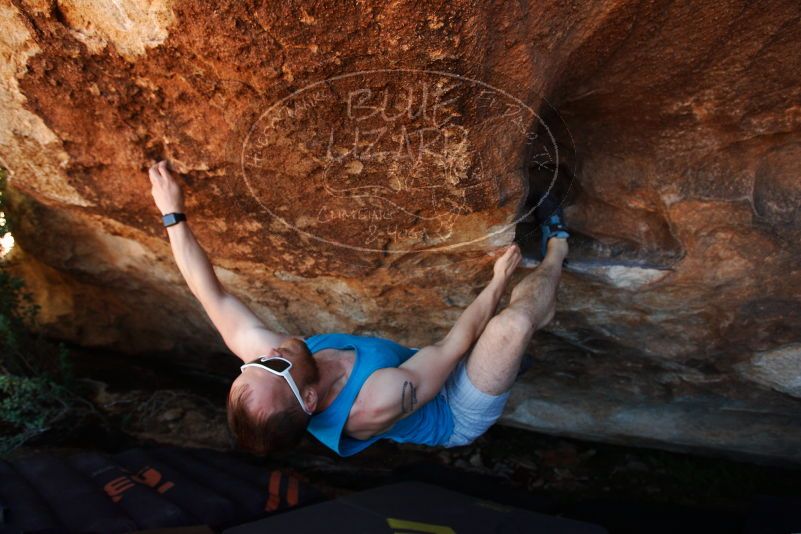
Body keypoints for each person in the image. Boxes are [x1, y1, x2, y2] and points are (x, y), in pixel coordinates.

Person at [148, 160, 569, 457]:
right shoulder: (375, 401)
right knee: (510, 325)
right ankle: (557, 248)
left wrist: (172, 215)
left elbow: (212, 296)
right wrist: (499, 279)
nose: (267, 356)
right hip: (451, 405)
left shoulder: (278, 368)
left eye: (251, 365)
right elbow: (453, 345)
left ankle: (515, 347)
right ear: (310, 399)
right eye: (272, 367)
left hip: (416, 369)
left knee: (504, 333)